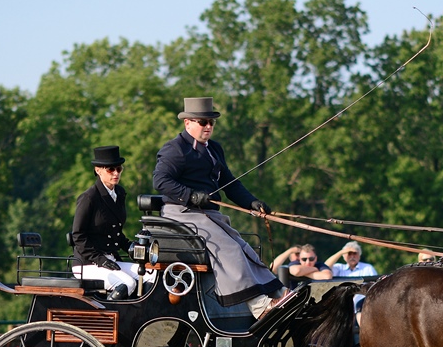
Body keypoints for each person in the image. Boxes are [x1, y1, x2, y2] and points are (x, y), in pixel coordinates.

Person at [153, 96, 286, 319]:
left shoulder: (214, 149)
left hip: (207, 214)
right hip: (181, 213)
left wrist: (251, 202)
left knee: (242, 245)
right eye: (202, 122)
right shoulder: (175, 149)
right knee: (228, 248)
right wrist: (191, 196)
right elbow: (161, 181)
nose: (208, 127)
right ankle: (258, 306)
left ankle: (278, 292)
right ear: (188, 123)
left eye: (211, 123)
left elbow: (230, 183)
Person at [71, 146, 139, 300]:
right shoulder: (89, 198)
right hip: (88, 264)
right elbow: (78, 235)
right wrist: (100, 260)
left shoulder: (119, 193)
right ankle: (110, 320)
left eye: (119, 168)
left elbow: (114, 232)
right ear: (98, 170)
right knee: (127, 283)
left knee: (151, 275)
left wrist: (130, 247)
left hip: (111, 260)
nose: (116, 173)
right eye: (110, 170)